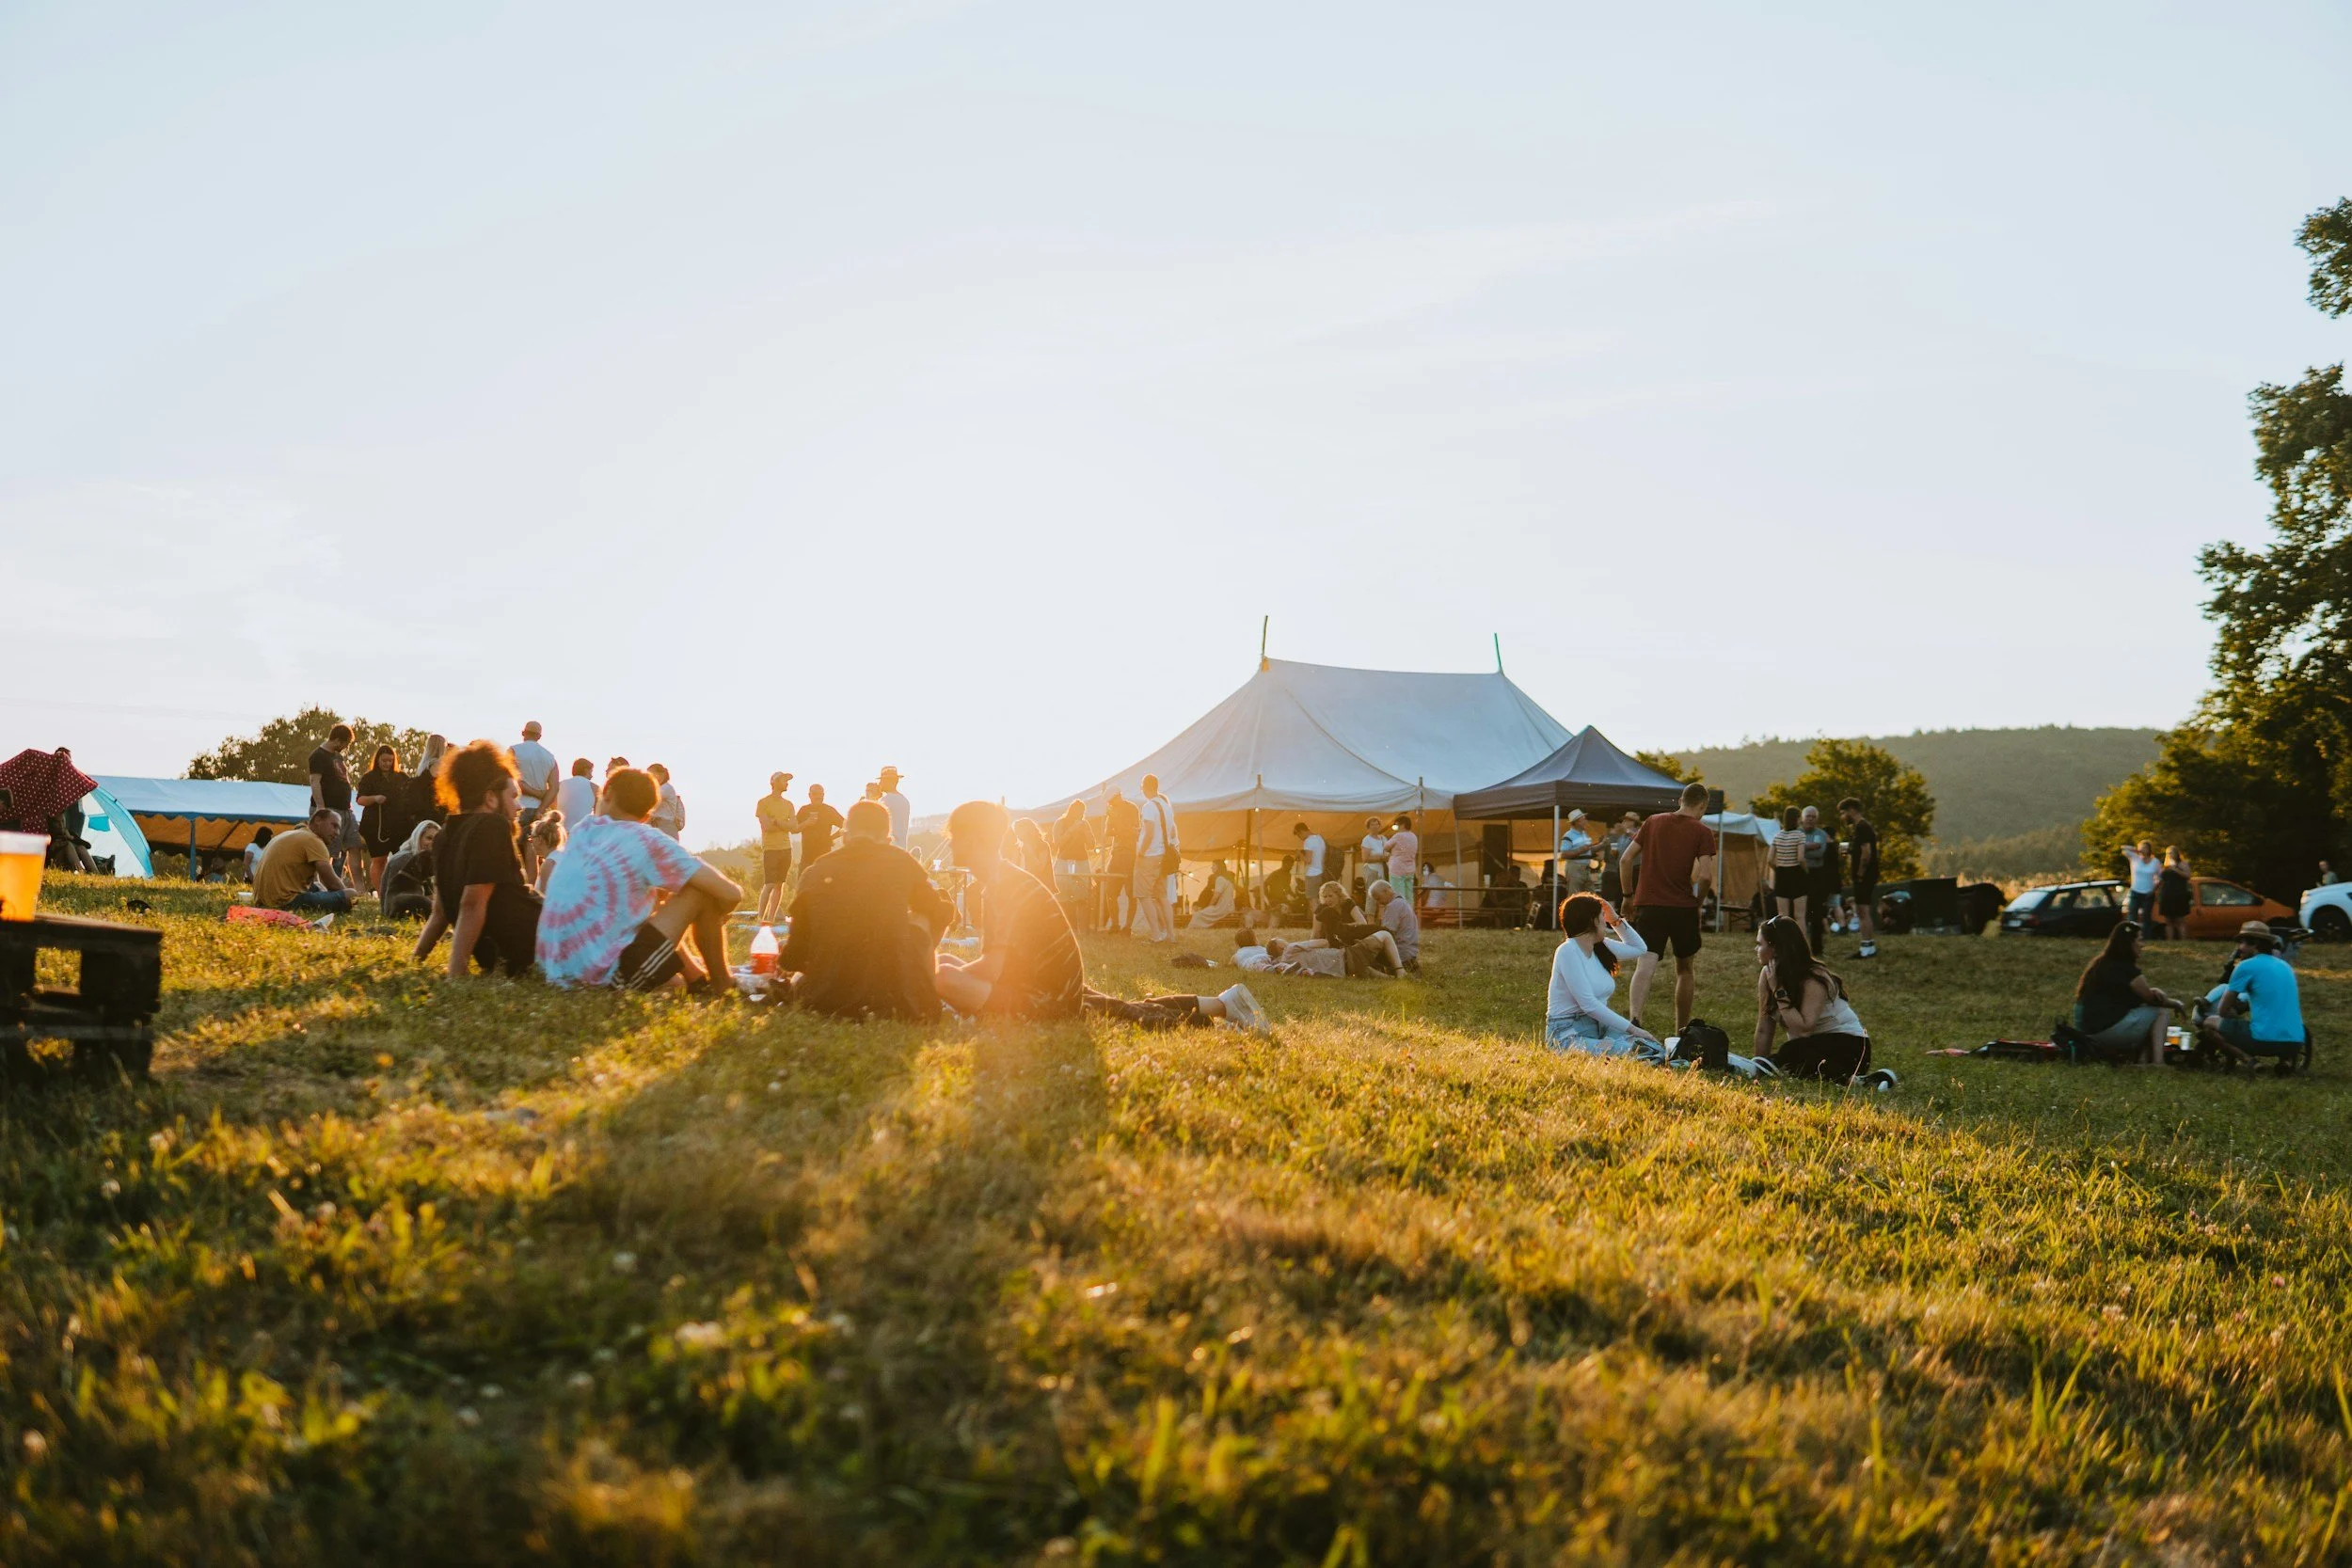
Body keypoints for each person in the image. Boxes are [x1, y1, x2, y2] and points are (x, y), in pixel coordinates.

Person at [931, 800, 1266, 1030]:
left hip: (1050, 997)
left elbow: (991, 968)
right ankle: (1221, 1004)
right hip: (1053, 985)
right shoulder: (1004, 880)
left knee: (943, 976)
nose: (950, 845)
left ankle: (1222, 1006)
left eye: (954, 837)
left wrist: (934, 984)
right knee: (1127, 1009)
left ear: (973, 839)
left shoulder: (1003, 886)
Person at [537, 767, 743, 991]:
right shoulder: (646, 839)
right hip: (602, 979)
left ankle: (696, 980)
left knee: (675, 984)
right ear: (646, 817)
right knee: (700, 893)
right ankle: (723, 984)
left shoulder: (582, 830)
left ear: (606, 794)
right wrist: (709, 913)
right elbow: (731, 894)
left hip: (557, 972)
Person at [776, 798, 953, 1020]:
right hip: (891, 995)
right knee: (926, 915)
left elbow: (793, 959)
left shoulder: (815, 871)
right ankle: (922, 994)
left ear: (845, 836)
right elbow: (941, 913)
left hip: (824, 998)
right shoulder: (902, 861)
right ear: (887, 840)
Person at [411, 741, 541, 980]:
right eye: (513, 796)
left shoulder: (443, 835)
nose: (519, 806)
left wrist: (416, 960)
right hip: (537, 943)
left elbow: (440, 912)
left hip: (507, 952)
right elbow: (471, 903)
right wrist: (456, 973)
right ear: (491, 798)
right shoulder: (492, 826)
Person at [1622, 782, 1720, 1031]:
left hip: (1649, 905)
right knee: (1685, 969)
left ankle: (1635, 1020)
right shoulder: (1702, 831)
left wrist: (1627, 895)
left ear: (1680, 800)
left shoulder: (1653, 822)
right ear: (1702, 805)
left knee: (1645, 963)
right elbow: (1706, 877)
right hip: (1682, 907)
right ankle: (1681, 1029)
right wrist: (1698, 902)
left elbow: (1625, 859)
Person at [1753, 916, 1890, 1084]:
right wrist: (1757, 1068)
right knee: (1796, 1060)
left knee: (1792, 1051)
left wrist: (1779, 991)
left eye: (1760, 944)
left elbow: (1803, 1030)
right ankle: (1860, 1082)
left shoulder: (1813, 977)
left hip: (1851, 1047)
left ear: (1775, 948)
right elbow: (1764, 1029)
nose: (1756, 949)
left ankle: (1858, 1080)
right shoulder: (1767, 975)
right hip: (1810, 1048)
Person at [1544, 893, 1662, 1059]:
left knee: (1646, 1046)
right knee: (1628, 1051)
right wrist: (1633, 1028)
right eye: (1603, 916)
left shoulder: (1601, 946)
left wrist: (1616, 920)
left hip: (1599, 1028)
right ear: (1593, 920)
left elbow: (1639, 948)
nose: (1605, 922)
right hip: (1567, 1035)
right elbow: (1589, 1005)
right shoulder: (1567, 951)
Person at [2069, 922, 2185, 1064]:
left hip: (2085, 1030)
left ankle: (2142, 1060)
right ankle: (2158, 1062)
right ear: (2129, 943)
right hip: (2103, 1032)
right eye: (2140, 940)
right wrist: (2176, 1004)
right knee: (2160, 1012)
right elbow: (2153, 1000)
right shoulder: (2127, 970)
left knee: (2143, 1014)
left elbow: (2136, 996)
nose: (2142, 945)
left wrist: (2153, 992)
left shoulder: (2101, 964)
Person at [2197, 920, 2306, 1069]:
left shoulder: (2245, 966)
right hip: (2296, 1041)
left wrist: (2234, 1016)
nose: (2239, 948)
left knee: (2210, 1023)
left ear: (2254, 943)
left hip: (2264, 1041)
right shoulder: (2286, 966)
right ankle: (2286, 1061)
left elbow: (2222, 1010)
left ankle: (2248, 1061)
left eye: (2242, 942)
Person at [253, 808, 354, 913]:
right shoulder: (314, 840)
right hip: (284, 903)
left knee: (317, 886)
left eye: (339, 829)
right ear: (318, 820)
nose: (337, 833)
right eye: (334, 826)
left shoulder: (291, 834)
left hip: (262, 902)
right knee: (351, 894)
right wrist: (345, 895)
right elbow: (333, 884)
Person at [307, 721, 361, 879]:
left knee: (355, 844)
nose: (346, 747)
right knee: (326, 850)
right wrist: (321, 807)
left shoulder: (338, 756)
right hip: (329, 809)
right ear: (338, 740)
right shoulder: (318, 756)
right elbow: (314, 781)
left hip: (346, 809)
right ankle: (322, 885)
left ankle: (359, 888)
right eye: (346, 743)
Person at [1132, 773, 1179, 943]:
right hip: (1162, 855)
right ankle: (1171, 935)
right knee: (1162, 895)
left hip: (1149, 855)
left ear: (1145, 787)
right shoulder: (1166, 806)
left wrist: (1141, 852)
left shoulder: (1149, 806)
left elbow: (1150, 832)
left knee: (1143, 895)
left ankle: (1156, 934)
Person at [354, 744, 405, 899]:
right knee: (379, 859)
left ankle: (399, 890)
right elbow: (360, 799)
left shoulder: (401, 777)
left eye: (390, 761)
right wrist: (375, 798)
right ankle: (382, 895)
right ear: (378, 760)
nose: (387, 764)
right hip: (375, 825)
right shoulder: (369, 778)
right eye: (384, 761)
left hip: (397, 824)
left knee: (401, 857)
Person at [510, 721, 560, 879]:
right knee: (532, 855)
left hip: (517, 806)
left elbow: (511, 780)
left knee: (511, 852)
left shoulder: (513, 751)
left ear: (523, 732)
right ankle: (532, 891)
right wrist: (541, 808)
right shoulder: (550, 757)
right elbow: (554, 788)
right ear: (539, 736)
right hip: (538, 810)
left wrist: (534, 792)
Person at [1260, 928, 1405, 979]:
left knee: (1387, 979)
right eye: (1281, 940)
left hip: (1347, 972)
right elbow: (1324, 943)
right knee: (1384, 934)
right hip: (1347, 957)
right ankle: (1401, 970)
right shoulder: (1291, 948)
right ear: (1279, 946)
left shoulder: (1286, 967)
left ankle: (1396, 978)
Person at [755, 772, 799, 924]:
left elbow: (793, 826)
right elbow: (766, 826)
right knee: (770, 884)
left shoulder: (789, 804)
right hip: (771, 848)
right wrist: (783, 824)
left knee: (780, 884)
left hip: (786, 848)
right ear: (774, 782)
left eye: (787, 781)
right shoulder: (763, 803)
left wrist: (777, 822)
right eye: (784, 780)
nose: (787, 783)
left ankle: (771, 920)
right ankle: (761, 918)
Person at [1839, 797, 1880, 959]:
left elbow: (1866, 854)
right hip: (1865, 875)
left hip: (1864, 876)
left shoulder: (1862, 827)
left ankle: (1866, 948)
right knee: (1863, 910)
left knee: (1863, 911)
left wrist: (1860, 874)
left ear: (1851, 810)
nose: (1843, 817)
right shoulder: (1861, 828)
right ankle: (1868, 945)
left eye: (1843, 813)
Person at [382, 821, 439, 919]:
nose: (432, 843)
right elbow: (394, 899)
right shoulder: (404, 859)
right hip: (397, 910)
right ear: (418, 838)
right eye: (429, 838)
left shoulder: (423, 859)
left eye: (437, 840)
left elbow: (430, 895)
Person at [1051, 800, 1096, 922]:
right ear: (1071, 811)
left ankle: (1082, 929)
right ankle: (1063, 926)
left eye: (1083, 812)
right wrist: (1072, 829)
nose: (1081, 814)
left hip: (1081, 861)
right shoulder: (1060, 823)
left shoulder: (1085, 824)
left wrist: (1086, 832)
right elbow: (1058, 843)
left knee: (1082, 896)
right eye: (1078, 811)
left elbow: (1092, 845)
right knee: (1062, 894)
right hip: (1064, 861)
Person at [1104, 788, 1140, 933]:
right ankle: (1115, 924)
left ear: (1118, 796)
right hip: (1116, 853)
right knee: (1110, 891)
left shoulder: (1132, 808)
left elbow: (1134, 830)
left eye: (1112, 801)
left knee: (1131, 893)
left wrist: (1118, 825)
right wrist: (1120, 828)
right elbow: (1107, 831)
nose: (1111, 804)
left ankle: (1128, 927)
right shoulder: (1112, 810)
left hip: (1129, 853)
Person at [1769, 807, 1809, 929]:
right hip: (1796, 873)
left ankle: (1784, 945)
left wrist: (1778, 869)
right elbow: (1801, 858)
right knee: (1800, 916)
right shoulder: (1800, 835)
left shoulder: (1777, 836)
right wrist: (1807, 871)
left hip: (1781, 874)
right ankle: (1802, 945)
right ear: (1797, 819)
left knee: (1783, 915)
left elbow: (1770, 859)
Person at [1369, 879, 1421, 971]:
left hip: (1401, 956)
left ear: (1386, 891)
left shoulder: (1393, 906)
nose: (1378, 902)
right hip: (1410, 954)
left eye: (1378, 898)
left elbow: (1387, 934)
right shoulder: (1402, 902)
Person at [553, 760, 598, 849]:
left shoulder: (559, 785)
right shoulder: (594, 788)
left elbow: (553, 807)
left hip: (561, 833)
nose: (592, 775)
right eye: (591, 771)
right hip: (582, 834)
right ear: (586, 770)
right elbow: (598, 815)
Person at [797, 784, 845, 864]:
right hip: (807, 858)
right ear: (809, 795)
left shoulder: (829, 810)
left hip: (824, 857)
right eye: (815, 794)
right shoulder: (804, 810)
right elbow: (794, 829)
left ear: (823, 795)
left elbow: (846, 825)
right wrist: (806, 823)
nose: (818, 796)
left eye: (820, 794)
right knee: (805, 877)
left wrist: (831, 838)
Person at [2120, 841, 2161, 932]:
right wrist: (2136, 849)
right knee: (2132, 914)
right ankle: (2131, 935)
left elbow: (2160, 877)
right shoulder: (2135, 858)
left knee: (2146, 916)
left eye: (2145, 848)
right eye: (2141, 848)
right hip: (2135, 891)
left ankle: (2146, 936)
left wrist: (2154, 890)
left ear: (2149, 850)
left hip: (2148, 893)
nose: (2143, 850)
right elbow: (2123, 848)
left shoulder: (2155, 862)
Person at [1598, 813, 1638, 906]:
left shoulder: (1638, 832)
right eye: (1623, 820)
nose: (1623, 822)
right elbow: (1616, 855)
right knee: (1620, 898)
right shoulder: (1621, 837)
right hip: (1621, 871)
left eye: (1626, 820)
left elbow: (1640, 839)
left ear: (1632, 822)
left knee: (1633, 897)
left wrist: (1627, 831)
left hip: (1634, 869)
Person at [1187, 861, 1238, 927]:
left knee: (1197, 915)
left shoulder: (1220, 879)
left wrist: (1209, 906)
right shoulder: (1229, 880)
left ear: (1218, 867)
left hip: (1222, 908)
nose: (1212, 867)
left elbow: (1215, 896)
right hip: (1229, 907)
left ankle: (1192, 929)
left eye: (1214, 865)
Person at [2156, 848, 2192, 941]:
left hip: (2179, 895)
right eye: (2168, 853)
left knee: (2180, 920)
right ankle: (2170, 941)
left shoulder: (2183, 864)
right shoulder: (2165, 866)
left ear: (2177, 854)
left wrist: (2175, 869)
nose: (2170, 855)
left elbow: (2188, 876)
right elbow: (2160, 880)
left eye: (2171, 853)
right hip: (2167, 895)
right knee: (2168, 920)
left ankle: (2183, 940)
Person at [1012, 817, 1057, 886]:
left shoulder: (1042, 845)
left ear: (1028, 831)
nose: (1017, 834)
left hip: (1043, 887)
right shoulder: (1021, 847)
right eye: (1016, 831)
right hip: (1028, 885)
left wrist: (1030, 852)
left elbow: (1040, 868)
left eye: (1019, 831)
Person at [1558, 809, 1594, 894]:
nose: (1586, 821)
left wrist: (1601, 845)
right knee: (1575, 895)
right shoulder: (1568, 835)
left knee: (1591, 895)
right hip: (1575, 868)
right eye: (1583, 819)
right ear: (1577, 822)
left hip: (1585, 868)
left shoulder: (1584, 834)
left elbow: (1588, 850)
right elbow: (1564, 854)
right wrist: (1581, 850)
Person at [531, 811, 566, 895]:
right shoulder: (564, 856)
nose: (531, 842)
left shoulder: (549, 864)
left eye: (532, 838)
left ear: (540, 840)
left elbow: (543, 899)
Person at [1385, 815, 1420, 898]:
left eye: (1397, 825)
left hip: (1397, 869)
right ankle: (1409, 911)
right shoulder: (1414, 836)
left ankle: (1400, 911)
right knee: (1409, 896)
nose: (1396, 828)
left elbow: (1386, 846)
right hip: (1410, 869)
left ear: (1403, 825)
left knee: (1398, 894)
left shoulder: (1398, 836)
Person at [648, 764, 686, 840]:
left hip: (665, 827)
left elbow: (649, 800)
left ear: (661, 775)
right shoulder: (660, 788)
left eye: (651, 775)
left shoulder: (666, 788)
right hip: (657, 827)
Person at [1294, 822, 1328, 904]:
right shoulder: (1320, 838)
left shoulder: (1308, 841)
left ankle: (1315, 917)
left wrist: (1299, 854)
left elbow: (1308, 860)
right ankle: (1319, 916)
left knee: (1313, 901)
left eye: (1299, 835)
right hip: (1321, 873)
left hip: (1312, 874)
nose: (1300, 838)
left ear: (1301, 832)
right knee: (1320, 900)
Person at [878, 765, 912, 847]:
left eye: (882, 780)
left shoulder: (884, 801)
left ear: (888, 781)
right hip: (901, 848)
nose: (879, 783)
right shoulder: (904, 800)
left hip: (887, 849)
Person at [1359, 817, 1388, 895]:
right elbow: (1365, 858)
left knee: (1383, 895)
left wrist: (1381, 857)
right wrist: (1381, 858)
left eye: (1377, 824)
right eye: (1372, 824)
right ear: (1368, 827)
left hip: (1382, 871)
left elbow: (1388, 854)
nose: (1375, 826)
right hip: (1371, 870)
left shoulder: (1383, 839)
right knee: (1371, 896)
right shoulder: (1367, 840)